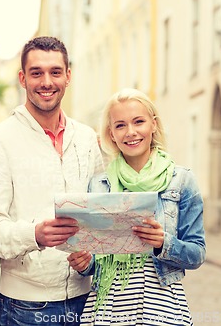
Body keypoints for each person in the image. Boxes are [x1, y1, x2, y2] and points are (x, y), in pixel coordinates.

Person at [0, 36, 104, 326]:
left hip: (89, 300)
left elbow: (100, 212)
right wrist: (34, 234)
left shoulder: (87, 139)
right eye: (36, 73)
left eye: (55, 72)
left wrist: (92, 257)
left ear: (68, 76)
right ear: (22, 78)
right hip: (27, 307)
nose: (47, 81)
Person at [67, 88, 205, 325]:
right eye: (120, 125)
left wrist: (163, 243)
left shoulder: (181, 180)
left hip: (163, 307)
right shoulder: (98, 185)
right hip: (107, 309)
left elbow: (197, 253)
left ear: (153, 124)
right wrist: (84, 264)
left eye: (138, 122)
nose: (130, 132)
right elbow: (94, 259)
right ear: (111, 133)